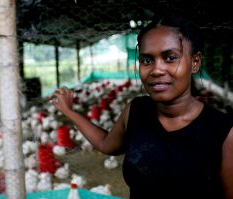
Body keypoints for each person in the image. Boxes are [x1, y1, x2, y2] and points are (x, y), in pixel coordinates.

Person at [48, 16, 233, 199]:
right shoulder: (136, 110)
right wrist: (70, 112)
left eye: (170, 58)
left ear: (195, 62)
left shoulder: (223, 131)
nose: (156, 70)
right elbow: (106, 144)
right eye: (146, 60)